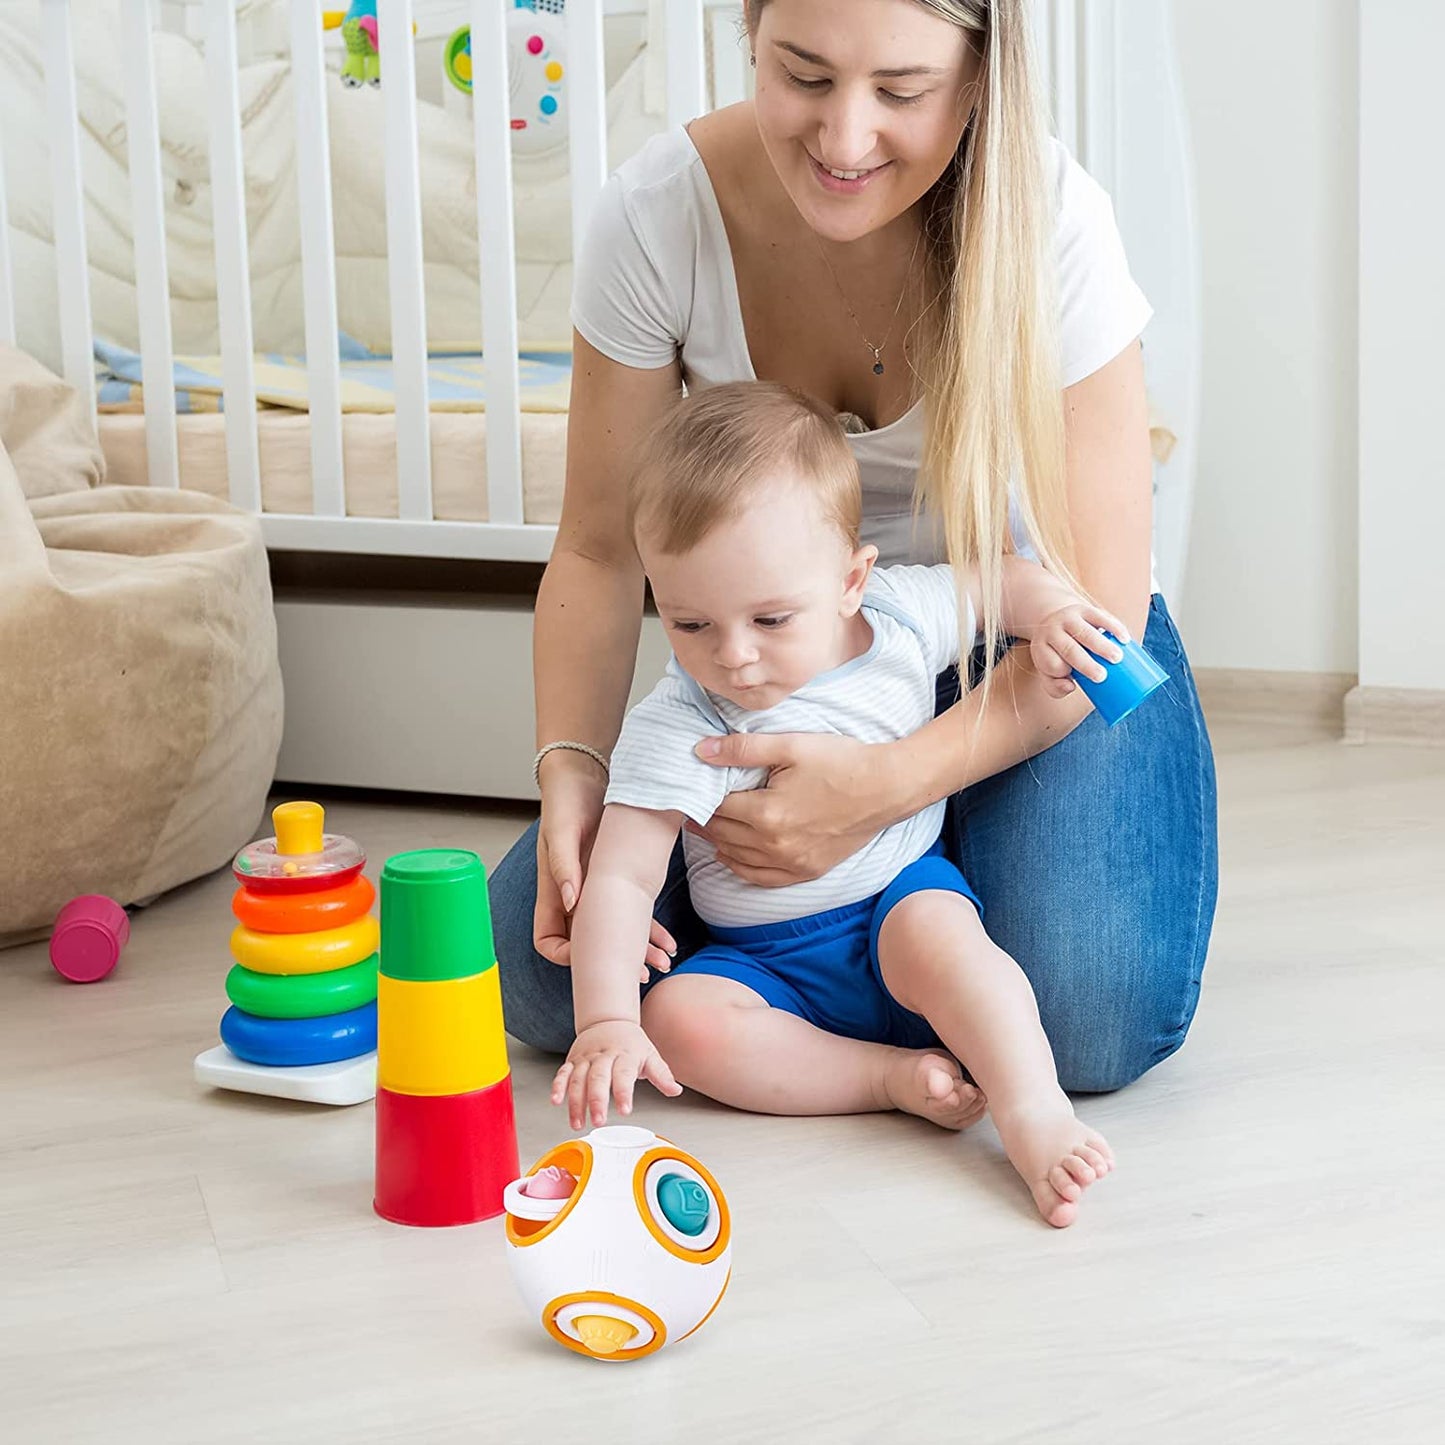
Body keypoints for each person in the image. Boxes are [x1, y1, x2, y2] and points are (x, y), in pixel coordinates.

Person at [493, 0, 1217, 1099]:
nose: (842, 139)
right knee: (543, 979)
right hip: (792, 663)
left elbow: (1098, 619)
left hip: (1029, 647)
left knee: (1086, 1022)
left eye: (901, 92)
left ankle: (943, 868)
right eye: (803, 74)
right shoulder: (656, 217)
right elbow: (598, 549)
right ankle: (901, 972)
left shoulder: (1050, 224)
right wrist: (574, 772)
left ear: (977, 77)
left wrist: (878, 785)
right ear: (747, 33)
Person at [555, 381, 1124, 1226]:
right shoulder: (678, 719)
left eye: (771, 618)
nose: (734, 657)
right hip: (762, 962)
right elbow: (622, 881)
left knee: (955, 948)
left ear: (853, 578)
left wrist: (1051, 618)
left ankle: (1032, 1111)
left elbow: (1002, 580)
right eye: (690, 625)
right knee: (676, 1019)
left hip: (896, 902)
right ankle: (882, 1077)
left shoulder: (900, 617)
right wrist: (605, 1018)